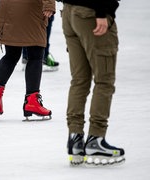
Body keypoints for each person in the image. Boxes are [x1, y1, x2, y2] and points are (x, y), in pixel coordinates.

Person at [61, 0, 125, 166]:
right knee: (104, 80)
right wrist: (101, 12)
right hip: (91, 12)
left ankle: (75, 139)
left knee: (79, 80)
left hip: (69, 12)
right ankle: (96, 139)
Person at [0, 0, 55, 121]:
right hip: (29, 9)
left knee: (12, 54)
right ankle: (32, 101)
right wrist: (49, 4)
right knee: (36, 54)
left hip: (9, 8)